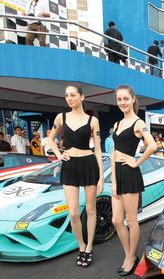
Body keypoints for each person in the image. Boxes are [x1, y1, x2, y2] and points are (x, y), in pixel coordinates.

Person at [48, 85, 103, 267]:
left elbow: (97, 149)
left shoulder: (92, 120)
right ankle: (80, 245)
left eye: (72, 95)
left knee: (90, 210)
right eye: (66, 96)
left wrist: (101, 176)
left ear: (81, 97)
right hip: (69, 165)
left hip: (88, 165)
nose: (69, 98)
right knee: (73, 213)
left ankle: (89, 248)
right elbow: (50, 138)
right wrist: (58, 154)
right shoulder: (61, 117)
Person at [110, 84, 156, 276]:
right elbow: (113, 153)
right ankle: (129, 254)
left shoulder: (138, 123)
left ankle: (130, 257)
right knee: (116, 220)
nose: (122, 102)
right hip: (118, 175)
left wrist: (136, 162)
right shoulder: (117, 124)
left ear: (133, 99)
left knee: (131, 219)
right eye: (119, 99)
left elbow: (152, 145)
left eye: (126, 99)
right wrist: (113, 179)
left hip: (130, 174)